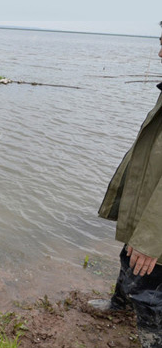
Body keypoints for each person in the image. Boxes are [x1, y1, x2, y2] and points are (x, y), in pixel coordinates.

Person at [91, 22, 162, 348]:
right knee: (129, 260)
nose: (160, 52)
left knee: (149, 291)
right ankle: (118, 309)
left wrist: (151, 238)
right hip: (148, 209)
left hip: (157, 223)